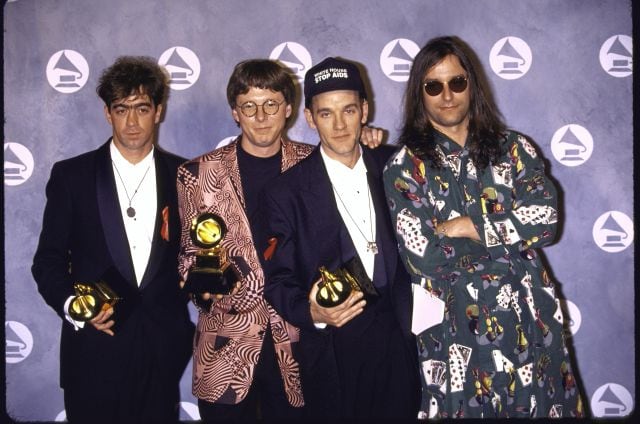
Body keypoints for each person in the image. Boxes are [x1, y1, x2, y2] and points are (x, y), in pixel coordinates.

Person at [383, 36, 585, 419]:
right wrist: (509, 235)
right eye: (434, 86)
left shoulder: (514, 150)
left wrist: (468, 226)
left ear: (471, 84)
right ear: (419, 94)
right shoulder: (406, 168)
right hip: (457, 335)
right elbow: (425, 258)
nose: (447, 95)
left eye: (457, 82)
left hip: (532, 323)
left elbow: (546, 221)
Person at [177, 59, 383, 421]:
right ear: (235, 113)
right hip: (226, 347)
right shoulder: (197, 173)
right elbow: (189, 254)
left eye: (271, 104)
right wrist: (199, 285)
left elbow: (355, 161)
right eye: (249, 107)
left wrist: (369, 139)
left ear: (289, 110)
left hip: (300, 344)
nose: (261, 116)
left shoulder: (314, 163)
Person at [31, 56, 195, 423]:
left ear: (159, 111)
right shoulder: (71, 176)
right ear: (107, 114)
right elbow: (48, 262)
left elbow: (195, 257)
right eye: (121, 109)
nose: (132, 121)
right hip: (93, 352)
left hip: (161, 354)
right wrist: (76, 307)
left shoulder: (185, 175)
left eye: (141, 108)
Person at [259, 57, 421, 420]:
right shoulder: (285, 192)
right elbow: (278, 279)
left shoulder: (397, 166)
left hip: (403, 344)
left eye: (348, 110)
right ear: (310, 118)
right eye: (326, 113)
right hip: (334, 354)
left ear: (365, 110)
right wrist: (312, 312)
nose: (340, 124)